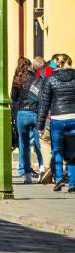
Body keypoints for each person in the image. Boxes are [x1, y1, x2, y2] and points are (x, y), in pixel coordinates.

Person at [36, 53, 75, 193]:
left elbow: (44, 104)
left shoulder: (49, 79)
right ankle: (72, 183)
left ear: (56, 63)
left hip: (57, 119)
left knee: (57, 150)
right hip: (73, 118)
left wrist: (40, 125)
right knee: (72, 152)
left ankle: (58, 179)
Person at [12, 57, 45, 183]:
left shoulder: (17, 79)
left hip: (22, 113)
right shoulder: (37, 78)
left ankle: (27, 175)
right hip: (35, 113)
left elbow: (13, 97)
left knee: (23, 145)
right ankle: (42, 167)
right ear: (30, 66)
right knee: (39, 143)